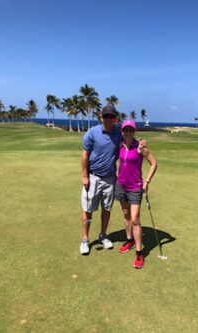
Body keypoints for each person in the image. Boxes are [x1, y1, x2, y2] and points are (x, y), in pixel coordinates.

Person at [79, 105, 146, 255]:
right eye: (106, 116)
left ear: (116, 118)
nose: (109, 119)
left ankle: (103, 235)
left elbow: (129, 140)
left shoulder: (118, 133)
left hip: (110, 178)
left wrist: (141, 143)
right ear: (101, 118)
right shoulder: (92, 133)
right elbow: (85, 155)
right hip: (93, 176)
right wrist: (84, 176)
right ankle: (85, 239)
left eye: (112, 117)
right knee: (88, 209)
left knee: (107, 208)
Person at [115, 120, 157, 269]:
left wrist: (147, 181)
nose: (128, 132)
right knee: (126, 214)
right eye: (125, 130)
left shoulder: (140, 146)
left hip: (135, 187)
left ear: (134, 131)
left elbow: (154, 163)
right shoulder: (119, 144)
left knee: (135, 219)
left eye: (130, 130)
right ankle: (129, 240)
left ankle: (139, 252)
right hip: (121, 185)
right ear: (122, 131)